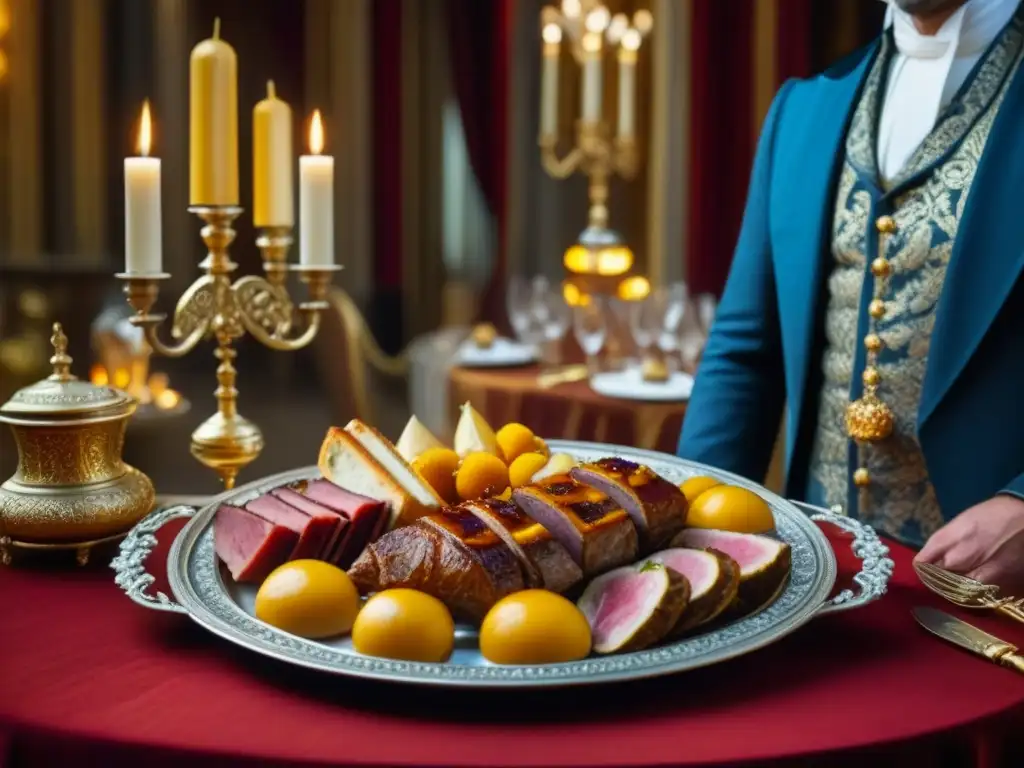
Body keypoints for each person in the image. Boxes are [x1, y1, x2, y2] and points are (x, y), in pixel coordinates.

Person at [676, 0, 1024, 591]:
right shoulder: (804, 110)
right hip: (817, 589)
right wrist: (688, 541)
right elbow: (744, 354)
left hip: (997, 605)